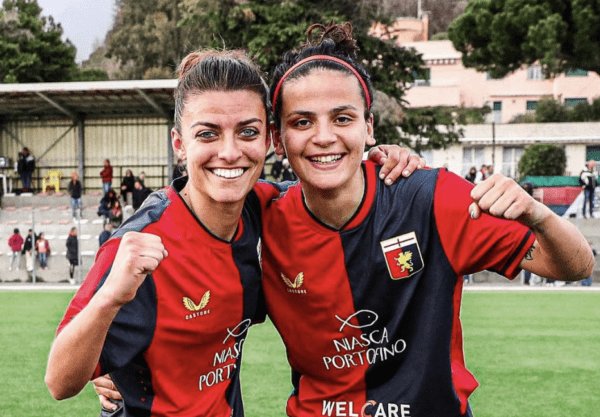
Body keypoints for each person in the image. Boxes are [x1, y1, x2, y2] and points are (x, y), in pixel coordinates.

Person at [47, 48, 424, 416]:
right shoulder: (143, 246)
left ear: (268, 140)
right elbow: (59, 383)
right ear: (180, 144)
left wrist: (383, 159)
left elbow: (328, 192)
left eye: (247, 132)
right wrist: (109, 302)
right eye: (207, 134)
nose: (229, 152)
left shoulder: (263, 209)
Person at [257, 22, 593, 417]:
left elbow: (576, 266)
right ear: (277, 139)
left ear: (368, 127)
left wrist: (537, 214)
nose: (324, 136)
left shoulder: (431, 197)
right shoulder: (260, 216)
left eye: (343, 118)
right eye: (302, 122)